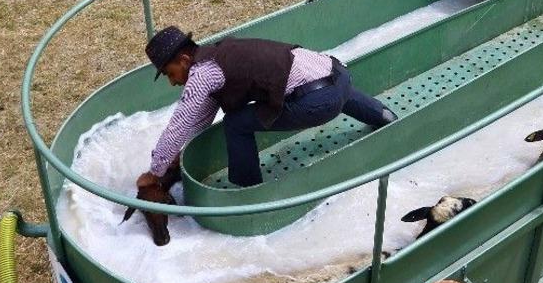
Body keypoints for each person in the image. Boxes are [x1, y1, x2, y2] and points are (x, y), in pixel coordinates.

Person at [138, 26, 397, 189]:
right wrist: (177, 154)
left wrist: (154, 172)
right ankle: (386, 116)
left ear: (184, 60)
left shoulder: (202, 75)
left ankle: (249, 190)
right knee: (333, 90)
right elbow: (200, 117)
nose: (172, 82)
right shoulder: (218, 55)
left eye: (170, 73)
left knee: (236, 124)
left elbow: (179, 124)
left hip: (319, 102)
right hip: (340, 76)